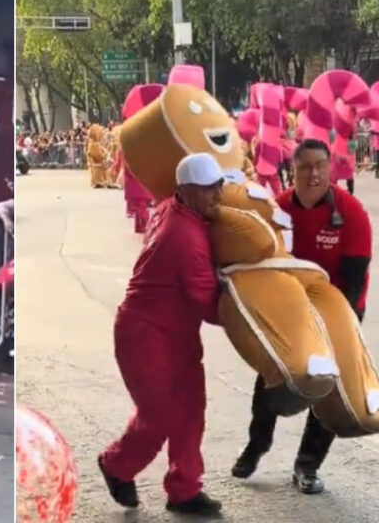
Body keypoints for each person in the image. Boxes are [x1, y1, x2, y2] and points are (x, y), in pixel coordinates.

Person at [231, 139, 373, 495]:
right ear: (292, 171)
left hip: (340, 303)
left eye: (320, 166)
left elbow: (356, 274)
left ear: (330, 169)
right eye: (305, 166)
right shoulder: (276, 210)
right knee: (272, 376)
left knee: (329, 385)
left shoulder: (350, 211)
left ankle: (307, 466)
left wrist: (344, 327)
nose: (314, 174)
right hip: (290, 307)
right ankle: (257, 445)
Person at [98, 153, 224, 517]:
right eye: (209, 189)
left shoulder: (176, 209)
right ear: (187, 191)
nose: (218, 195)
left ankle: (184, 488)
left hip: (175, 333)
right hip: (145, 336)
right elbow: (209, 304)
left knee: (190, 410)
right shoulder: (185, 237)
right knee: (160, 416)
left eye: (219, 186)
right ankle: (116, 465)